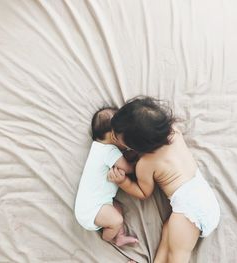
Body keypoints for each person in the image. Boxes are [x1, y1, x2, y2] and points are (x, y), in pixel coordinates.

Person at [108, 96, 221, 263]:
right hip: (205, 200)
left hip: (188, 212)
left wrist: (122, 182)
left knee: (178, 256)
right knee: (168, 234)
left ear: (137, 147)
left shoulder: (145, 164)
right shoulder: (174, 132)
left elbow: (143, 192)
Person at [74, 107, 138, 247]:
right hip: (92, 211)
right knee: (117, 220)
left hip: (91, 207)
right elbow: (128, 168)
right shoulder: (110, 151)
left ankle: (120, 236)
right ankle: (108, 238)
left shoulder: (97, 147)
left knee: (117, 207)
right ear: (113, 135)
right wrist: (139, 156)